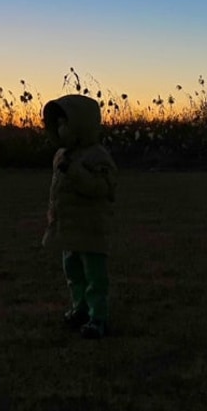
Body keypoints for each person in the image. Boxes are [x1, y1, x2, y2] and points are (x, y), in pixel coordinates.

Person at [41, 94, 118, 339]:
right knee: (73, 274)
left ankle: (98, 317)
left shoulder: (97, 156)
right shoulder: (62, 155)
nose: (60, 129)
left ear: (80, 124)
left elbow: (101, 188)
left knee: (95, 276)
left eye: (65, 123)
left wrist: (73, 171)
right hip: (69, 228)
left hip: (91, 228)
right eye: (58, 124)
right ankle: (80, 308)